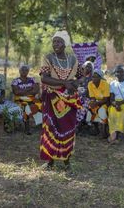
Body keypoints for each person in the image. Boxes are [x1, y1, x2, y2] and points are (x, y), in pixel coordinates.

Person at [39, 32, 82, 169]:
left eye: (58, 42)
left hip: (69, 99)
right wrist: (65, 83)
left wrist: (73, 84)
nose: (55, 44)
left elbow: (82, 77)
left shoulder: (73, 60)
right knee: (50, 127)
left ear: (65, 44)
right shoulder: (48, 58)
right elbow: (44, 78)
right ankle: (50, 161)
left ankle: (66, 161)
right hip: (51, 97)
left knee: (67, 128)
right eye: (54, 41)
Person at [11, 65, 42, 135]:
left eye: (26, 70)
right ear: (19, 71)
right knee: (26, 106)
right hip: (20, 99)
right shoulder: (15, 81)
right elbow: (16, 92)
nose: (24, 72)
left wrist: (22, 91)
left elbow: (35, 91)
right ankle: (27, 127)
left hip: (32, 98)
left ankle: (40, 124)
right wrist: (29, 88)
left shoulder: (32, 79)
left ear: (28, 72)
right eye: (22, 70)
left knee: (41, 105)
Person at [86, 69, 110, 137]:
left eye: (96, 77)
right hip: (96, 101)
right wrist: (93, 103)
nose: (93, 78)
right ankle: (96, 129)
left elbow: (105, 99)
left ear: (100, 77)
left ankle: (104, 130)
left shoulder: (105, 84)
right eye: (93, 77)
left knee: (102, 110)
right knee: (91, 109)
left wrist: (96, 103)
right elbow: (92, 97)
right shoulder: (90, 84)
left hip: (104, 102)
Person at [75, 61, 94, 133]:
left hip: (89, 98)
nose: (88, 69)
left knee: (82, 106)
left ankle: (77, 125)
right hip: (79, 97)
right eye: (87, 67)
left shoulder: (93, 79)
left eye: (90, 67)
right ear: (83, 68)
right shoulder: (81, 79)